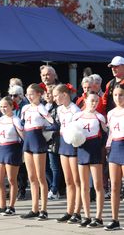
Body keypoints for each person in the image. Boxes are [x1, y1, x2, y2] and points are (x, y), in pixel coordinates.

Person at [72, 91, 106, 228]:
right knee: (84, 186)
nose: (94, 103)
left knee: (98, 185)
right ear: (85, 100)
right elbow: (71, 132)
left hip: (95, 152)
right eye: (91, 100)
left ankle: (98, 217)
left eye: (96, 101)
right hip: (82, 151)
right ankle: (86, 216)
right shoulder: (77, 116)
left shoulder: (100, 117)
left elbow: (105, 134)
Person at [20, 83, 53, 221]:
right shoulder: (25, 108)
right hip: (27, 142)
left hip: (38, 142)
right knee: (31, 177)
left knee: (40, 177)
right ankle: (34, 208)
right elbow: (22, 123)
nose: (29, 96)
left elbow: (53, 124)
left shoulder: (42, 108)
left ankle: (44, 209)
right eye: (27, 94)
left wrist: (45, 131)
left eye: (31, 94)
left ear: (39, 94)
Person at [53, 84, 82, 223]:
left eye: (56, 95)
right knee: (68, 180)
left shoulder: (75, 110)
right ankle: (69, 211)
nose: (54, 98)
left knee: (77, 180)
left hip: (73, 144)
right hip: (63, 144)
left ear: (65, 94)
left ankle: (77, 212)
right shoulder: (59, 109)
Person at [0, 96, 24, 216]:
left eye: (5, 106)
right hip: (2, 149)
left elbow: (23, 136)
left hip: (13, 149)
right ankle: (2, 205)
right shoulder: (0, 120)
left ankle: (11, 206)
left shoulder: (16, 119)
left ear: (11, 106)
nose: (3, 109)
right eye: (1, 107)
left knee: (11, 179)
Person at [104, 84, 124, 231]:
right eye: (116, 95)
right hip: (115, 148)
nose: (118, 98)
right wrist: (107, 147)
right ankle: (115, 220)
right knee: (114, 186)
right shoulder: (110, 113)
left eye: (121, 95)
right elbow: (111, 133)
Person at [8, 84, 29, 200]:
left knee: (21, 167)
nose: (12, 97)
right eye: (10, 95)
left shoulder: (24, 107)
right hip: (12, 139)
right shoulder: (12, 107)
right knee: (13, 166)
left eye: (15, 95)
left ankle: (22, 190)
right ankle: (14, 189)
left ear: (20, 96)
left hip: (22, 139)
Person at [44, 85, 61, 201]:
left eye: (50, 94)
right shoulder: (44, 106)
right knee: (45, 167)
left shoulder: (57, 108)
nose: (48, 96)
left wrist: (44, 128)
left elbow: (57, 125)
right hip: (44, 140)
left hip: (54, 140)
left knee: (54, 166)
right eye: (46, 93)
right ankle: (52, 187)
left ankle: (54, 190)